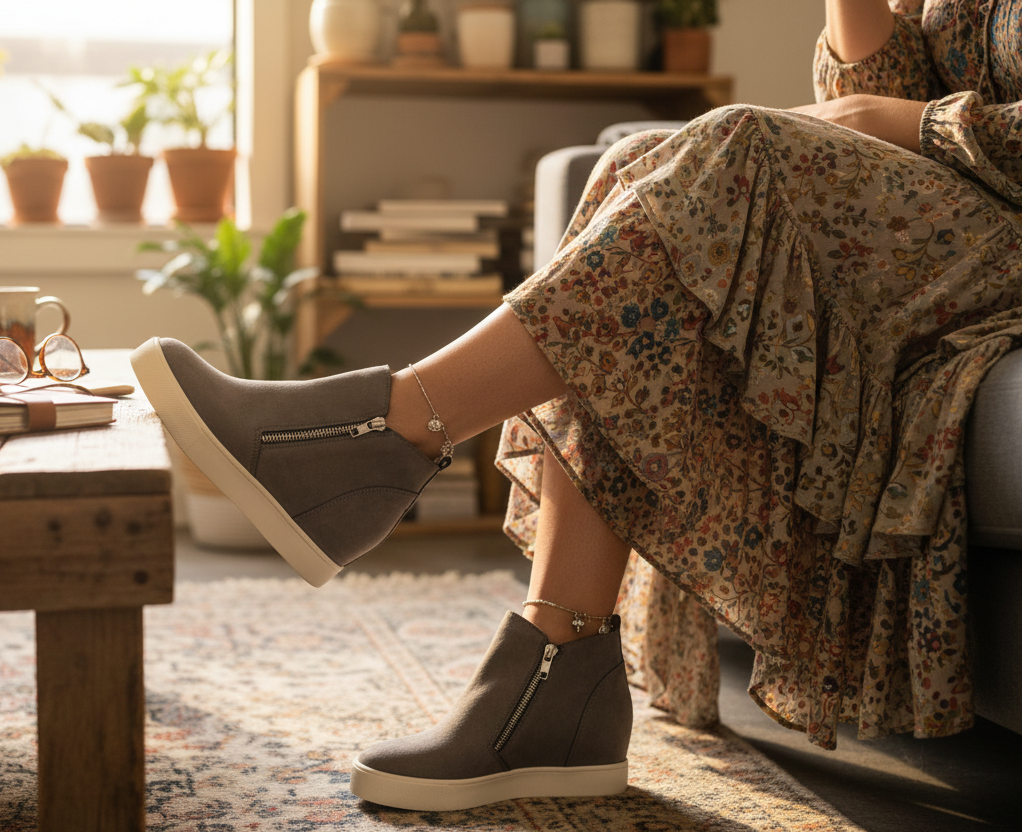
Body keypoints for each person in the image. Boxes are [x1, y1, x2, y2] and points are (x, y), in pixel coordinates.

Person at [132, 0, 1022, 812]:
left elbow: (894, 123)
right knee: (635, 163)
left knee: (738, 146)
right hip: (951, 217)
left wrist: (924, 121)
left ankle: (383, 435)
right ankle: (558, 666)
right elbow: (869, 103)